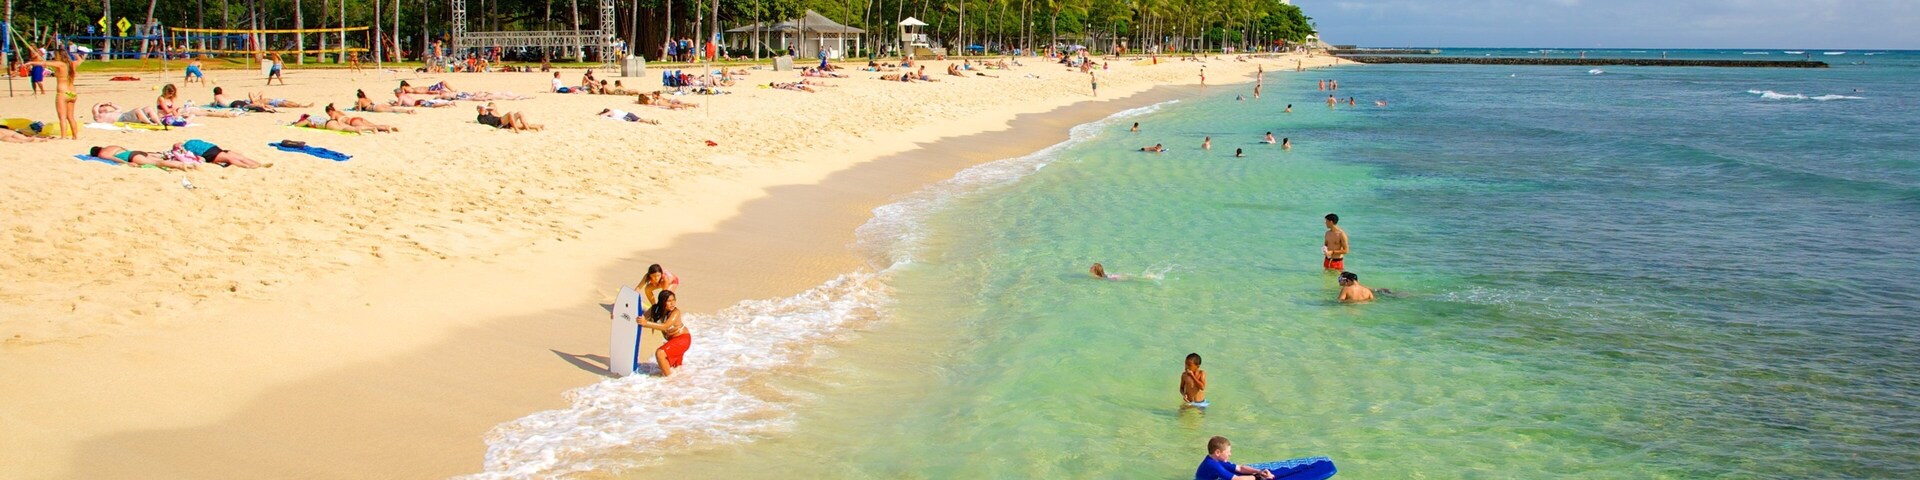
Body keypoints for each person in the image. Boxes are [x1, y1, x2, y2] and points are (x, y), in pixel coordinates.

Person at [25, 43, 82, 140]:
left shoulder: (60, 64)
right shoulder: (72, 64)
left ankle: (63, 137)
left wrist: (30, 63)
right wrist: (76, 54)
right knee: (71, 117)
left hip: (63, 93)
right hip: (72, 93)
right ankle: (75, 136)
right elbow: (80, 60)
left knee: (62, 117)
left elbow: (44, 63)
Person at [636, 290, 692, 376]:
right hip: (672, 340)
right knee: (675, 368)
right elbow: (641, 319)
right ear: (662, 302)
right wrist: (618, 315)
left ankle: (668, 381)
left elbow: (665, 326)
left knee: (660, 353)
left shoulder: (675, 312)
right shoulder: (655, 309)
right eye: (669, 301)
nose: (672, 303)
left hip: (683, 339)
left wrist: (646, 323)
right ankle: (676, 385)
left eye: (673, 300)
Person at [1196, 437, 1276, 480]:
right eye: (1228, 452)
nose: (1230, 454)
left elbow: (1240, 468)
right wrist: (1258, 477)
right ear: (1218, 452)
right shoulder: (1213, 465)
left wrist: (1259, 471)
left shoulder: (1215, 459)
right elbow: (1237, 479)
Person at [88, 145, 197, 170]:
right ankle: (189, 165)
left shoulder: (102, 154)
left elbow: (114, 159)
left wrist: (126, 163)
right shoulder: (111, 146)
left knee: (158, 163)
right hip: (135, 152)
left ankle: (182, 166)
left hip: (132, 156)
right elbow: (125, 149)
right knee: (158, 160)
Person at [178, 139, 266, 168]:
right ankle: (255, 165)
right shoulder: (190, 143)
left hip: (211, 150)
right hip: (212, 149)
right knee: (236, 157)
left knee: (233, 158)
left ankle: (256, 165)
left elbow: (196, 158)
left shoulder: (187, 146)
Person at [325, 103, 398, 132]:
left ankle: (387, 128)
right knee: (373, 125)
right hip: (356, 118)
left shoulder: (333, 114)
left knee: (370, 127)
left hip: (352, 122)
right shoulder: (339, 112)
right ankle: (388, 127)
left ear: (329, 111)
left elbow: (335, 122)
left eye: (328, 113)